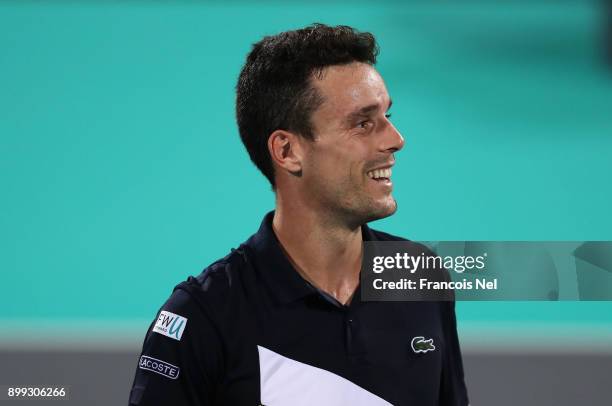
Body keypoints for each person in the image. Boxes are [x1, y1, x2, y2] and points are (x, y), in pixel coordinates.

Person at [128, 23, 469, 406]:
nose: (395, 140)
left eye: (387, 116)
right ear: (288, 151)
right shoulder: (203, 317)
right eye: (362, 123)